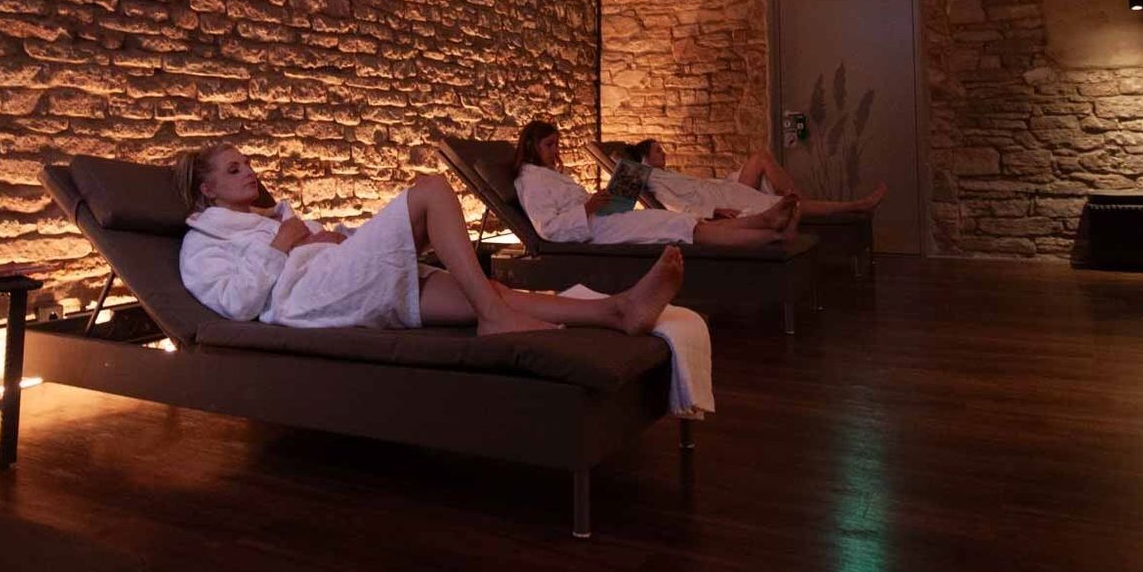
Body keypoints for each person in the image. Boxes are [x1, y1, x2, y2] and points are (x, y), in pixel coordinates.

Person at [175, 143, 684, 337]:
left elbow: (308, 249)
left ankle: (617, 311)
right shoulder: (203, 243)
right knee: (432, 190)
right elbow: (237, 304)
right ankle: (494, 318)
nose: (250, 172)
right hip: (312, 300)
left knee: (484, 290)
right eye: (234, 169)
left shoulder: (270, 218)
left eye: (247, 163)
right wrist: (284, 244)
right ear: (207, 189)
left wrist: (331, 236)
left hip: (340, 278)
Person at [511, 121, 797, 247]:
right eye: (549, 145)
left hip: (606, 219)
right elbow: (548, 229)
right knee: (683, 226)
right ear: (532, 145)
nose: (556, 151)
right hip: (595, 231)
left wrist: (602, 201)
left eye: (556, 144)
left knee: (686, 225)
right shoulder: (530, 181)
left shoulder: (550, 174)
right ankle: (773, 236)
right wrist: (587, 209)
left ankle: (766, 222)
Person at [618, 138, 887, 222]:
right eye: (658, 151)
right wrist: (713, 211)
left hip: (723, 190)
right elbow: (675, 206)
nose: (664, 153)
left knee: (760, 158)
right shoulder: (652, 179)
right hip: (722, 199)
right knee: (790, 204)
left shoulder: (665, 174)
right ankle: (857, 206)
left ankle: (803, 204)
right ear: (644, 159)